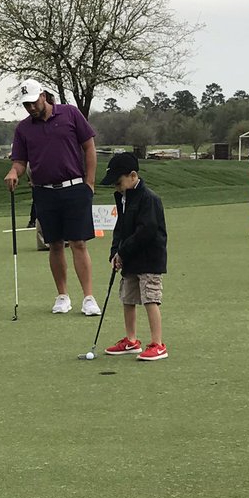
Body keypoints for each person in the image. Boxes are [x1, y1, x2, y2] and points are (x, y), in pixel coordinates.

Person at [5, 80, 101, 315]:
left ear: (44, 96)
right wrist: (13, 172)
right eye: (26, 105)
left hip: (74, 187)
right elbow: (20, 161)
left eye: (33, 102)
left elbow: (89, 146)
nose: (30, 108)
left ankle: (88, 298)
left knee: (78, 243)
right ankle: (62, 296)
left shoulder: (70, 113)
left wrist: (89, 182)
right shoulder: (23, 128)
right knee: (55, 244)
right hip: (44, 191)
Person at [99, 152, 168, 362]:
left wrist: (123, 251)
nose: (117, 188)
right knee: (127, 298)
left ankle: (158, 344)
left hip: (149, 258)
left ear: (133, 175)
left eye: (119, 182)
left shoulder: (149, 199)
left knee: (150, 298)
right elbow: (119, 228)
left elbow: (146, 231)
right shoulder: (123, 199)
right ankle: (131, 340)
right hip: (130, 258)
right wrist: (115, 253)